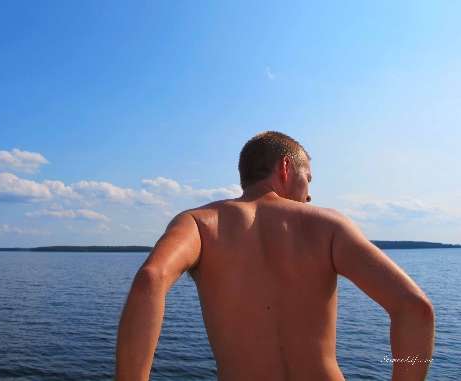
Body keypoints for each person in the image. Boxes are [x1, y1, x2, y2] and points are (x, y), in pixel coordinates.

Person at [115, 131, 435, 381]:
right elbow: (416, 309)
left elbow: (150, 279)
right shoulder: (329, 226)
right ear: (285, 168)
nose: (309, 194)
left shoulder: (199, 224)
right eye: (307, 178)